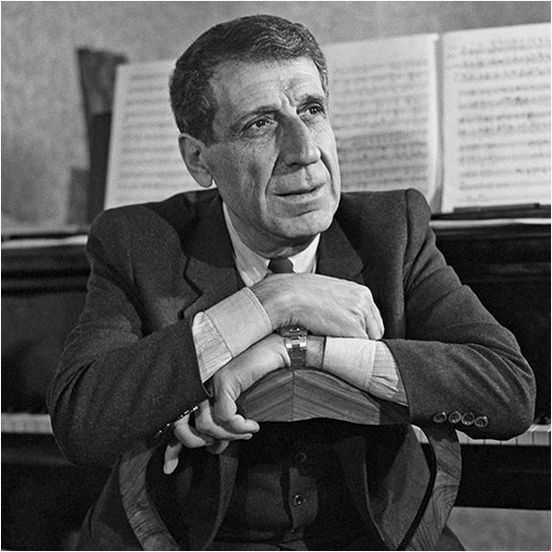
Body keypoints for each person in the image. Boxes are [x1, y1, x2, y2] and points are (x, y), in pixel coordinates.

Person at [48, 14, 536, 551]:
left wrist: (301, 351)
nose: (305, 150)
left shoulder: (391, 229)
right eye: (260, 123)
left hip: (373, 538)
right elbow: (83, 420)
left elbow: (508, 390)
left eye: (312, 110)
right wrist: (273, 301)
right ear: (198, 159)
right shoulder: (139, 242)